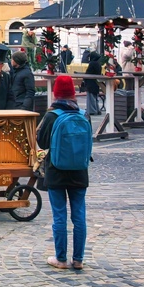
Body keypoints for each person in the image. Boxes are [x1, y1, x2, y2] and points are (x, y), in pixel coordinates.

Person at [37, 75, 92, 271]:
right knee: (79, 216)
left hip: (56, 171)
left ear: (56, 93)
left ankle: (61, 258)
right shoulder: (84, 115)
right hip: (79, 170)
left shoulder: (51, 116)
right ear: (73, 93)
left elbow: (42, 143)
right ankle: (78, 259)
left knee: (59, 215)